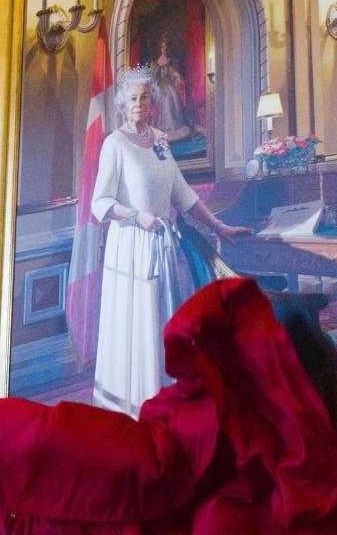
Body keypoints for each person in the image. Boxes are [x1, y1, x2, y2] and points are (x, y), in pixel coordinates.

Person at [0, 279, 337, 535]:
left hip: (166, 467)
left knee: (73, 450)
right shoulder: (225, 404)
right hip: (163, 453)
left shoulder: (290, 462)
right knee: (74, 448)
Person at [91, 66, 250, 417]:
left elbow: (182, 194)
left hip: (162, 248)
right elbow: (99, 203)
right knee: (139, 322)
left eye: (144, 97)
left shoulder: (160, 142)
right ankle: (133, 405)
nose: (138, 104)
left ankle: (164, 401)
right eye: (132, 98)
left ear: (153, 103)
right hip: (131, 249)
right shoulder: (114, 144)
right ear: (122, 104)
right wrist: (137, 216)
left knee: (162, 321)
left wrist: (219, 227)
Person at [149, 35, 191, 143]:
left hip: (168, 85)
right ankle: (161, 126)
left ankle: (173, 125)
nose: (165, 49)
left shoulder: (170, 61)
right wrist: (156, 81)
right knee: (162, 96)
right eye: (163, 47)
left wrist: (177, 76)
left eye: (166, 47)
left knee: (171, 96)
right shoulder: (155, 62)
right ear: (160, 48)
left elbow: (173, 72)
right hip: (158, 85)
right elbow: (152, 76)